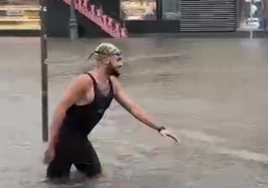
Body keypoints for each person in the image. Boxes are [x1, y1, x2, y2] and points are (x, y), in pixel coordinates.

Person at [43, 42, 180, 179]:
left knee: (97, 178)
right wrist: (52, 145)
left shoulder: (112, 84)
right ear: (107, 60)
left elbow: (133, 108)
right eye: (118, 60)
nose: (121, 64)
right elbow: (60, 109)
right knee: (56, 187)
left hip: (81, 141)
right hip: (63, 143)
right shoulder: (85, 81)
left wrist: (160, 128)